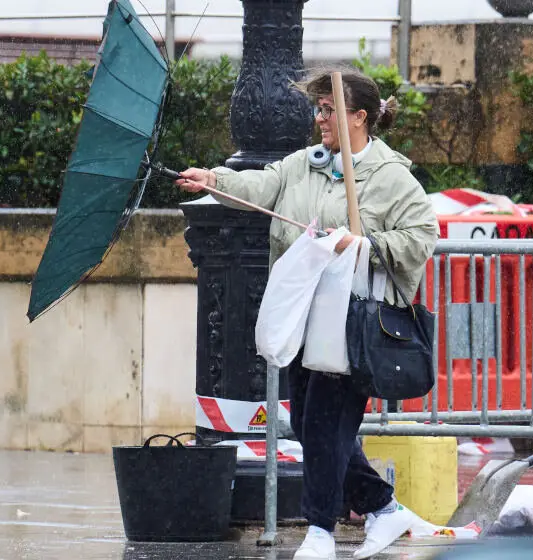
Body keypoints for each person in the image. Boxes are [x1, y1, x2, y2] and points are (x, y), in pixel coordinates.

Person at [174, 68, 439, 560]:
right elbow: (263, 184)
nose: (319, 119)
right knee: (314, 423)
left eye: (328, 110)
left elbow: (422, 235)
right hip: (304, 316)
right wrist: (214, 179)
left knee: (322, 422)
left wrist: (366, 242)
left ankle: (320, 529)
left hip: (350, 325)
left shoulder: (390, 177)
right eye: (317, 109)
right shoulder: (305, 165)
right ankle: (382, 507)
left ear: (359, 117)